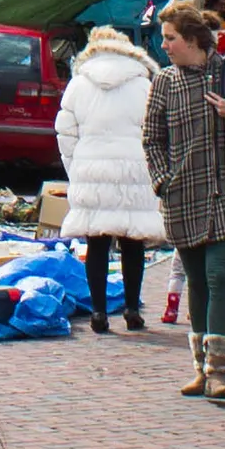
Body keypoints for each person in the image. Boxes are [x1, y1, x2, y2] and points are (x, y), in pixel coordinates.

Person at [141, 3, 225, 397]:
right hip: (183, 197)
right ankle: (200, 368)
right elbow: (152, 139)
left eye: (170, 38)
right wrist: (163, 182)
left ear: (194, 40)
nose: (164, 45)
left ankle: (219, 371)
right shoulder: (164, 82)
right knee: (196, 281)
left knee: (220, 276)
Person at [50, 24, 161, 335]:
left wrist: (75, 166)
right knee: (132, 240)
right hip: (133, 169)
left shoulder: (79, 83)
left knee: (97, 242)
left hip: (91, 167)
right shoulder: (143, 84)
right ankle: (131, 308)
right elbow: (154, 130)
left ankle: (99, 311)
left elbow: (66, 132)